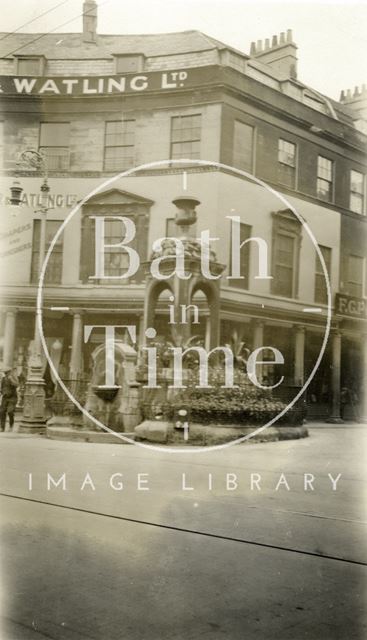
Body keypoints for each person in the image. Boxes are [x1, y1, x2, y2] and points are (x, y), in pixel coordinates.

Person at [0, 367, 19, 432]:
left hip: (12, 398)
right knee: (2, 412)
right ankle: (2, 427)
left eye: (7, 372)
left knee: (10, 412)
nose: (6, 374)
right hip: (5, 397)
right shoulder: (3, 379)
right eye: (5, 373)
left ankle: (11, 425)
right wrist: (2, 392)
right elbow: (2, 387)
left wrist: (11, 380)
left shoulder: (13, 378)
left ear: (9, 372)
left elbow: (17, 385)